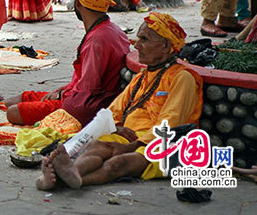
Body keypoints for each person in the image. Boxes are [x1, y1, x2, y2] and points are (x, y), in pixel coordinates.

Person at [37, 13, 202, 190]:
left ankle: (62, 181)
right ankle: (71, 173)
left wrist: (132, 146)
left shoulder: (183, 78)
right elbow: (114, 111)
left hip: (162, 146)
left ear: (166, 46)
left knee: (119, 163)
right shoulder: (142, 76)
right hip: (129, 136)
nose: (137, 45)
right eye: (138, 38)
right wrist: (117, 128)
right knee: (96, 147)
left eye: (144, 39)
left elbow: (170, 124)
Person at [5, 0, 129, 125]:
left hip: (85, 107)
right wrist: (64, 89)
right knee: (18, 99)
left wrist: (63, 95)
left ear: (78, 3)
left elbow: (88, 90)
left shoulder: (97, 39)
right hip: (79, 96)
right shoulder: (110, 30)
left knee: (12, 112)